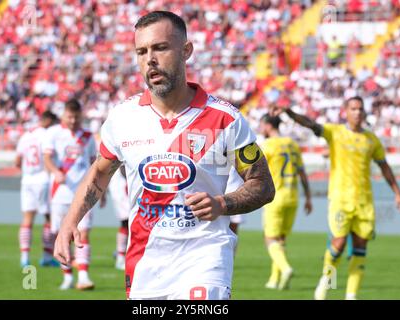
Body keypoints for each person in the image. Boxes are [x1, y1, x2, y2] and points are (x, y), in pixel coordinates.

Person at [54, 11, 275, 300]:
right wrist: (70, 221)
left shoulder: (225, 119)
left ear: (186, 51)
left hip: (205, 257)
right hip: (146, 264)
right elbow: (99, 173)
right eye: (141, 51)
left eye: (160, 48)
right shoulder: (123, 118)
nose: (150, 59)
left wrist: (222, 203)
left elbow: (263, 185)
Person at [271, 97, 400, 300]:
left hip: (365, 202)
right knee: (339, 244)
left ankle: (351, 296)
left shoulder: (372, 140)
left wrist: (397, 192)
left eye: (360, 109)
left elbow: (384, 166)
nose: (357, 112)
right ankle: (325, 285)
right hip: (340, 199)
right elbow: (311, 124)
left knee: (360, 249)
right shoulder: (335, 132)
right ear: (346, 111)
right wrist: (289, 113)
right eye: (353, 109)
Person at [43, 99, 102, 290]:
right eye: (70, 116)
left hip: (83, 194)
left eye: (76, 117)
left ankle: (83, 276)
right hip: (60, 192)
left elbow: (96, 165)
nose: (73, 120)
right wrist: (55, 171)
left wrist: (102, 192)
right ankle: (67, 276)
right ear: (63, 115)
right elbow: (47, 158)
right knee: (62, 235)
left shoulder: (88, 136)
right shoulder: (53, 133)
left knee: (83, 233)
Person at [259, 114, 312, 290]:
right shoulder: (292, 144)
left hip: (275, 198)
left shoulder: (267, 146)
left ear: (267, 126)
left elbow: (256, 171)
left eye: (261, 125)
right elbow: (302, 172)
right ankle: (275, 279)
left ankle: (285, 268)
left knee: (269, 239)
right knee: (281, 239)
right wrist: (309, 197)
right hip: (293, 197)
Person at [16, 111, 59, 267]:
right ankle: (47, 256)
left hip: (27, 180)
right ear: (48, 121)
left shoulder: (25, 136)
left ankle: (24, 257)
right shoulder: (47, 135)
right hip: (43, 180)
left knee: (27, 219)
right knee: (49, 218)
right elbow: (50, 157)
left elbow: (17, 161)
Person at [107, 165, 130, 270]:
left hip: (123, 185)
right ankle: (121, 257)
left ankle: (122, 255)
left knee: (129, 222)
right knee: (127, 221)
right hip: (121, 187)